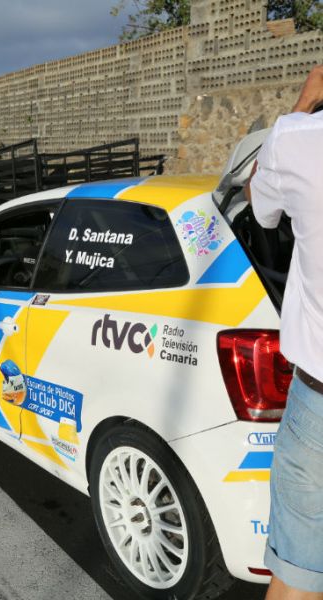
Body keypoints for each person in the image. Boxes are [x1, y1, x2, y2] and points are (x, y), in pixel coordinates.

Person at [247, 65, 323, 599]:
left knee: (298, 576)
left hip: (319, 400)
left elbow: (261, 208)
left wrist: (301, 105)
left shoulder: (296, 139)